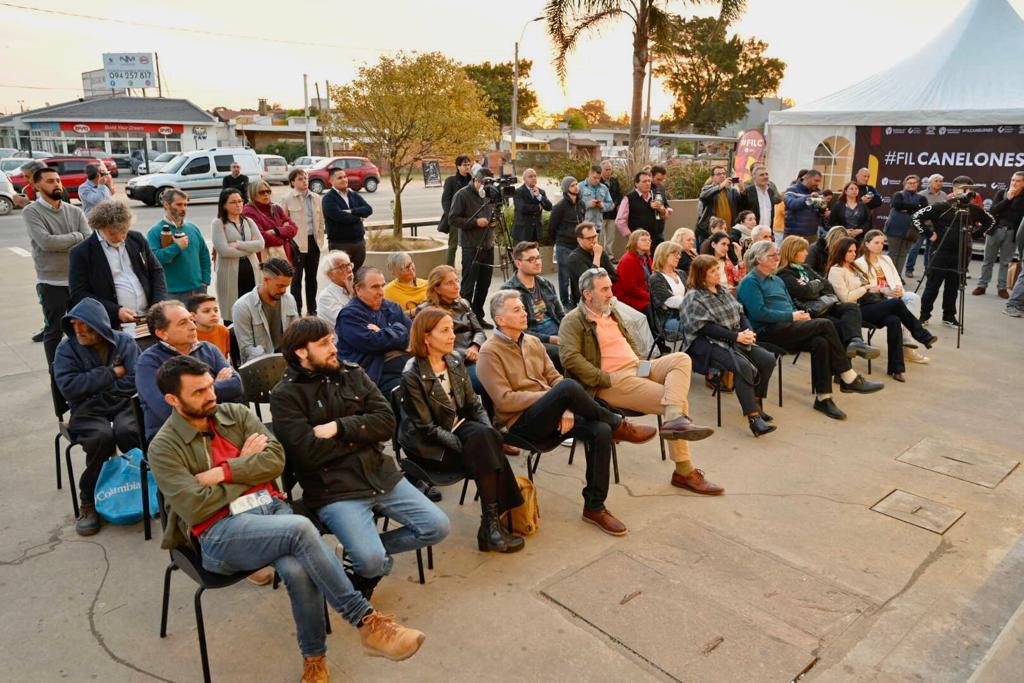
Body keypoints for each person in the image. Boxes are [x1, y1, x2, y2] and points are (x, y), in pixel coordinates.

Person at [149, 356, 426, 678]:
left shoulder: (234, 413)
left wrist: (225, 471)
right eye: (198, 392)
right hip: (220, 532)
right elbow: (196, 506)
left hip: (270, 507)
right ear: (172, 399)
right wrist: (249, 468)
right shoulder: (163, 447)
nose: (211, 395)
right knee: (300, 528)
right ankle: (367, 622)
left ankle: (314, 660)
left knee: (298, 570)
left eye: (211, 386)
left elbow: (276, 461)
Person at [270, 316, 449, 599]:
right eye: (324, 343)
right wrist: (363, 435)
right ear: (301, 352)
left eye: (332, 340)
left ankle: (361, 553)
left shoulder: (352, 373)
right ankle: (367, 559)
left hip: (380, 474)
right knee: (372, 561)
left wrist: (338, 428)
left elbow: (387, 423)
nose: (334, 348)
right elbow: (307, 453)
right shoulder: (285, 395)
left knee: (437, 527)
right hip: (335, 490)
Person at [477, 290, 656, 535]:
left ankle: (594, 507)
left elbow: (554, 377)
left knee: (599, 431)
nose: (524, 313)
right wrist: (555, 399)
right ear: (500, 319)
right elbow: (504, 401)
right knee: (569, 387)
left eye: (523, 308)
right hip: (521, 424)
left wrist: (564, 405)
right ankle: (619, 424)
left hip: (551, 415)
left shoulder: (532, 341)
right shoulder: (489, 352)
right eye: (516, 310)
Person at [559, 267, 721, 493]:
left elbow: (629, 341)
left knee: (681, 359)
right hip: (610, 380)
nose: (610, 294)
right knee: (676, 401)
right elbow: (570, 359)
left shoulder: (610, 312)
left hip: (637, 368)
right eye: (604, 289)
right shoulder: (573, 320)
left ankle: (674, 420)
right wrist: (602, 377)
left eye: (610, 288)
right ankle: (684, 470)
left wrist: (640, 363)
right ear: (587, 294)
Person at [399, 307, 525, 552]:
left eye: (452, 330)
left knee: (486, 438)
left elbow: (473, 404)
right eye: (445, 331)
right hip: (430, 448)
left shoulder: (454, 360)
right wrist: (471, 444)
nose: (453, 336)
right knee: (484, 446)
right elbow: (426, 429)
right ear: (426, 337)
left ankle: (490, 527)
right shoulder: (411, 374)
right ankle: (493, 524)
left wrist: (490, 432)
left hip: (460, 430)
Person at [736, 241, 883, 420]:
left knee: (820, 342)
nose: (777, 258)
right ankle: (848, 376)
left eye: (777, 254)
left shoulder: (776, 279)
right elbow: (759, 314)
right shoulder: (750, 282)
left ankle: (824, 398)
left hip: (788, 326)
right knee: (825, 324)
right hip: (767, 331)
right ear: (759, 259)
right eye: (772, 255)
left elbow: (789, 303)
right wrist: (791, 316)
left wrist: (799, 315)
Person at [53, 298, 141, 535]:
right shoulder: (66, 349)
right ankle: (88, 500)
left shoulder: (123, 342)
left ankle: (142, 490)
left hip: (122, 403)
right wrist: (112, 373)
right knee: (100, 438)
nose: (79, 331)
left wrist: (95, 386)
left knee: (129, 432)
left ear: (100, 326)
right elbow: (70, 388)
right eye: (74, 325)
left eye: (85, 326)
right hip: (86, 409)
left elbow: (136, 379)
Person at [679, 256, 777, 437]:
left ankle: (756, 402)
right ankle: (754, 419)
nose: (719, 273)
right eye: (713, 271)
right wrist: (737, 336)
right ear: (701, 276)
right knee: (743, 367)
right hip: (707, 343)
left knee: (768, 360)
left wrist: (748, 332)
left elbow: (740, 313)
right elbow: (706, 328)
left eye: (718, 269)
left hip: (735, 337)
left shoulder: (722, 290)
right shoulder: (693, 297)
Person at [827, 237, 936, 382]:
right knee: (896, 304)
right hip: (852, 311)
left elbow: (869, 287)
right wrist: (865, 288)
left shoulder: (854, 267)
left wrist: (879, 290)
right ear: (841, 252)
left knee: (894, 320)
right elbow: (845, 298)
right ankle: (921, 335)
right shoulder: (836, 270)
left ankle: (896, 369)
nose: (853, 254)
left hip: (868, 305)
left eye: (854, 250)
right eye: (849, 251)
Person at [135, 299, 242, 440]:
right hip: (173, 438)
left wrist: (192, 395)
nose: (193, 327)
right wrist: (214, 387)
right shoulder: (148, 362)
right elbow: (166, 409)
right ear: (162, 333)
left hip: (217, 427)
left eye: (191, 320)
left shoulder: (208, 349)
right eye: (183, 323)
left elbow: (236, 386)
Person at [25, 166, 92, 370]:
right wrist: (75, 237)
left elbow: (89, 239)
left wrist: (73, 240)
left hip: (78, 280)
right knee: (53, 330)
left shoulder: (74, 210)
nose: (56, 184)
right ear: (37, 185)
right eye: (50, 181)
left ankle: (81, 368)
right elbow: (46, 243)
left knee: (83, 328)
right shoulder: (32, 212)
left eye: (57, 180)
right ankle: (57, 373)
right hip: (51, 282)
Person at [69, 200, 166, 332]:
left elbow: (156, 271)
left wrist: (157, 304)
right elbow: (79, 293)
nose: (120, 237)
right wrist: (116, 311)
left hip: (147, 320)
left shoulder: (136, 239)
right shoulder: (82, 252)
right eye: (113, 233)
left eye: (124, 232)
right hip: (113, 325)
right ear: (99, 227)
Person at [776, 235, 878, 360]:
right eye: (803, 250)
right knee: (841, 326)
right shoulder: (785, 273)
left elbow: (827, 286)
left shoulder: (805, 268)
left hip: (824, 304)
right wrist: (814, 285)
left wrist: (812, 286)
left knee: (851, 308)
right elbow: (804, 292)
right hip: (810, 311)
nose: (806, 253)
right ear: (793, 252)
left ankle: (856, 342)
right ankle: (844, 372)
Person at [912, 176, 994, 326]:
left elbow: (990, 221)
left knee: (953, 287)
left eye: (970, 190)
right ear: (955, 189)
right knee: (932, 286)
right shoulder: (942, 206)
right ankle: (923, 315)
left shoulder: (974, 209)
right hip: (940, 252)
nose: (967, 192)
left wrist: (974, 235)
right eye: (963, 189)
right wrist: (929, 234)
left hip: (961, 254)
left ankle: (949, 316)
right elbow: (916, 217)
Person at [857, 229, 930, 364]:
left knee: (913, 297)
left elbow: (896, 278)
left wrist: (899, 290)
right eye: (876, 242)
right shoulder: (860, 263)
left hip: (893, 294)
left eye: (882, 242)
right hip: (878, 298)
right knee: (897, 310)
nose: (880, 245)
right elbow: (867, 288)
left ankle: (907, 338)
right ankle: (908, 347)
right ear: (866, 244)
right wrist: (886, 292)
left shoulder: (886, 259)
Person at [336, 266, 411, 394]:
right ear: (358, 289)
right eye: (375, 287)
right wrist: (398, 329)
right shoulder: (350, 315)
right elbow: (374, 343)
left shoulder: (392, 307)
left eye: (383, 285)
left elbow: (413, 334)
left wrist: (383, 331)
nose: (381, 292)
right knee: (405, 392)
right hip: (372, 375)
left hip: (404, 366)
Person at [414, 265, 486, 386]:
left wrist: (475, 346)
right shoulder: (427, 310)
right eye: (449, 283)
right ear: (437, 289)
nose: (456, 286)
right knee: (486, 381)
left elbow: (479, 331)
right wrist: (466, 354)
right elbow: (429, 344)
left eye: (457, 280)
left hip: (476, 353)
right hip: (453, 360)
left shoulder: (463, 303)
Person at [501, 241, 565, 368]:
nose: (537, 262)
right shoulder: (509, 291)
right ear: (518, 263)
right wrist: (551, 339)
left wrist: (569, 330)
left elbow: (560, 314)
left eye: (538, 258)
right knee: (562, 354)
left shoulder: (545, 284)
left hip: (558, 332)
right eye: (531, 259)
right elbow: (517, 331)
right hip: (533, 339)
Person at [449, 169, 498, 324]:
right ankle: (463, 319)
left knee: (484, 284)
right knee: (468, 285)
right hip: (471, 246)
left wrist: (493, 222)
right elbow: (453, 219)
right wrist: (475, 222)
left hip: (488, 245)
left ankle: (478, 316)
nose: (487, 188)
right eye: (484, 184)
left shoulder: (490, 194)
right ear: (476, 181)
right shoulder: (462, 195)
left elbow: (494, 211)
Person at [146, 189, 210, 302]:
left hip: (198, 290)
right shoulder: (154, 232)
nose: (183, 208)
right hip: (172, 294)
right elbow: (154, 259)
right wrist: (176, 247)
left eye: (185, 205)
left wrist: (205, 281)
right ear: (166, 204)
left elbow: (204, 256)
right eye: (179, 204)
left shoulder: (193, 228)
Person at [231, 258, 298, 364]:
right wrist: (274, 361)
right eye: (280, 286)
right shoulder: (242, 306)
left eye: (287, 286)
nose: (284, 290)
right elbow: (247, 349)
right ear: (266, 280)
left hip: (288, 360)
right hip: (260, 365)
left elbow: (297, 334)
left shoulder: (289, 299)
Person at [211, 188, 263, 322]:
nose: (238, 204)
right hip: (230, 274)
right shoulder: (218, 223)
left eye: (240, 201)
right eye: (233, 202)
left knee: (252, 310)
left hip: (251, 270)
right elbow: (224, 250)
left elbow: (261, 244)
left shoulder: (248, 221)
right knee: (232, 313)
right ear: (224, 205)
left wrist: (239, 244)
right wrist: (250, 247)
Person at [281, 168, 325, 315]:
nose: (304, 181)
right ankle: (297, 311)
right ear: (293, 182)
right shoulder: (287, 199)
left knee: (312, 279)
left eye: (306, 178)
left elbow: (320, 222)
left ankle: (312, 310)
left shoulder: (316, 198)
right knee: (296, 280)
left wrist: (319, 239)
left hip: (313, 242)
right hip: (296, 245)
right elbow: (282, 223)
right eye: (300, 179)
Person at [974, 170, 1024, 298]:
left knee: (1005, 262)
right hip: (995, 230)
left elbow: (1018, 216)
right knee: (988, 259)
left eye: (1018, 181)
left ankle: (1002, 288)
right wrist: (1008, 199)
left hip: (1012, 232)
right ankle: (982, 285)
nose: (1014, 183)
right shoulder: (1002, 193)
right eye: (1013, 180)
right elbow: (993, 211)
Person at [322, 168, 372, 271]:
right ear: (331, 181)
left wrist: (351, 211)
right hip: (340, 244)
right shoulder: (328, 198)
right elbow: (340, 217)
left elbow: (368, 209)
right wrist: (359, 217)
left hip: (358, 243)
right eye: (340, 178)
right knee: (342, 276)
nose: (344, 179)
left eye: (345, 177)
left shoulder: (353, 194)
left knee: (357, 275)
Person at [549, 175, 586, 306]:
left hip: (578, 246)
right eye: (572, 185)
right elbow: (552, 227)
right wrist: (559, 241)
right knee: (564, 277)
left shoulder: (581, 204)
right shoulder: (560, 206)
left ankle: (576, 301)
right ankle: (565, 304)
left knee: (577, 276)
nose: (576, 187)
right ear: (566, 189)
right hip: (563, 246)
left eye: (576, 184)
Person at [884, 175, 928, 276]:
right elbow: (897, 205)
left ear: (917, 184)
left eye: (914, 183)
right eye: (909, 183)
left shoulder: (922, 198)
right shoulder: (898, 194)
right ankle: (889, 277)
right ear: (905, 184)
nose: (912, 185)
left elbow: (923, 210)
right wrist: (915, 207)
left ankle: (897, 276)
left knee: (903, 254)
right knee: (893, 254)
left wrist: (906, 208)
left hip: (911, 231)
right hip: (894, 229)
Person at [246, 179, 298, 264]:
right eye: (262, 192)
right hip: (264, 260)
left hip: (285, 256)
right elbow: (261, 237)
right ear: (253, 194)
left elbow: (294, 228)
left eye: (268, 191)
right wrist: (284, 235)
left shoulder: (276, 208)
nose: (266, 194)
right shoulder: (249, 211)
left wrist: (275, 231)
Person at [566, 222, 618, 305]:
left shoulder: (601, 252)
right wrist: (597, 256)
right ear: (579, 240)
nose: (593, 240)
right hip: (586, 302)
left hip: (606, 298)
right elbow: (590, 283)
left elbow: (615, 276)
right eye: (589, 238)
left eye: (595, 236)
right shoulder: (574, 258)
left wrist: (602, 282)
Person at [906, 174, 946, 278]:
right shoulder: (921, 194)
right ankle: (909, 269)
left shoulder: (944, 195)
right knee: (915, 248)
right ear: (930, 182)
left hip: (935, 228)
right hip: (922, 227)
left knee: (930, 250)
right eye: (937, 181)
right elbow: (917, 212)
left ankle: (927, 269)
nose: (939, 183)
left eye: (941, 181)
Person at [615, 170, 668, 249]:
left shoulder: (656, 196)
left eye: (649, 181)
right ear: (636, 184)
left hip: (656, 239)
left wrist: (660, 208)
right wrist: (632, 237)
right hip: (639, 241)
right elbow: (620, 221)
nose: (647, 183)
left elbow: (663, 215)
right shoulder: (629, 198)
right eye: (644, 181)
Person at [439, 155, 473, 266]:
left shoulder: (473, 181)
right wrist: (451, 216)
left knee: (468, 246)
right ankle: (449, 269)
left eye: (468, 164)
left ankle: (467, 269)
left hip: (470, 219)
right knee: (453, 246)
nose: (467, 167)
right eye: (464, 165)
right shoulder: (451, 181)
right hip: (456, 219)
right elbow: (445, 200)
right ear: (458, 166)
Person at [648, 241, 687, 337]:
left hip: (687, 314)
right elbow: (670, 302)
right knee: (701, 327)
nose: (679, 257)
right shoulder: (656, 278)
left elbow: (692, 294)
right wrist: (695, 302)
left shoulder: (681, 273)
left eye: (679, 254)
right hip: (669, 319)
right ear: (664, 255)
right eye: (675, 254)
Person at [612, 229, 653, 314]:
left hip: (644, 293)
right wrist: (650, 296)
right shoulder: (627, 260)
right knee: (650, 306)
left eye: (649, 240)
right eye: (643, 240)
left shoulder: (646, 258)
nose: (647, 242)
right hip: (628, 297)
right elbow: (630, 288)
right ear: (634, 242)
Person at [696, 166, 741, 245]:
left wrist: (743, 190)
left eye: (724, 174)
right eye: (719, 174)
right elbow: (704, 196)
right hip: (709, 232)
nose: (722, 176)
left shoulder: (732, 191)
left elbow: (742, 204)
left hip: (728, 232)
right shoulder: (707, 189)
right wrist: (721, 186)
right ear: (712, 177)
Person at [783, 169, 829, 239]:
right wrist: (809, 197)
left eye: (819, 181)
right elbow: (791, 204)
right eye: (816, 180)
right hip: (794, 234)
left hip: (812, 234)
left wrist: (823, 207)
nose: (817, 183)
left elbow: (819, 212)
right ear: (807, 178)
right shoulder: (792, 190)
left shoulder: (818, 192)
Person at [511, 168, 552, 242]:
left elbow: (549, 207)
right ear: (524, 179)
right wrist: (538, 207)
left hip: (536, 232)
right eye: (530, 176)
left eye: (535, 176)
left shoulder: (541, 192)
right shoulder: (518, 192)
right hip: (522, 232)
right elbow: (522, 208)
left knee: (535, 253)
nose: (533, 178)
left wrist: (539, 196)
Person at [315, 250, 353, 327]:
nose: (349, 270)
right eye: (343, 267)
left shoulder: (359, 288)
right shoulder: (326, 297)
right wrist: (353, 295)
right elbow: (349, 323)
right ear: (330, 274)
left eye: (349, 265)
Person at [738, 165, 781, 233]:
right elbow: (742, 211)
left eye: (766, 174)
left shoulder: (771, 191)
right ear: (754, 177)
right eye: (762, 175)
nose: (765, 177)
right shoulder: (748, 192)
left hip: (768, 232)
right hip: (752, 232)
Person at [383, 252, 428, 316]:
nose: (410, 269)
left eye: (410, 264)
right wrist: (415, 311)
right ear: (394, 272)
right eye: (405, 267)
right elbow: (390, 317)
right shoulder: (387, 292)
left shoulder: (427, 284)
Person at [188, 294, 230, 358]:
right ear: (193, 316)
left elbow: (226, 358)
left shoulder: (223, 331)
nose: (213, 314)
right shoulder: (188, 335)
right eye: (206, 311)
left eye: (216, 310)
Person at [579, 164, 614, 230]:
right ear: (589, 174)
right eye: (594, 178)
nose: (597, 180)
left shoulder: (604, 188)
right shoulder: (580, 186)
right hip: (583, 226)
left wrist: (603, 205)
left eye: (599, 178)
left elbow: (611, 204)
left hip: (598, 226)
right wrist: (587, 204)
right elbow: (574, 205)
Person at [599, 160, 624, 254]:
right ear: (601, 170)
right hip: (601, 213)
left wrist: (615, 203)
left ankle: (609, 255)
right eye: (606, 170)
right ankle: (600, 255)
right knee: (600, 237)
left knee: (610, 237)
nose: (608, 172)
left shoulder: (614, 181)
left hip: (613, 213)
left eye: (610, 169)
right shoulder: (598, 181)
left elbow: (619, 194)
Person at [649, 165, 675, 246]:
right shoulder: (645, 188)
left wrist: (667, 209)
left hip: (660, 229)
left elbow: (666, 204)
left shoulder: (661, 187)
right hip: (648, 229)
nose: (660, 182)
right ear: (651, 176)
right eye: (658, 179)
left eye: (663, 179)